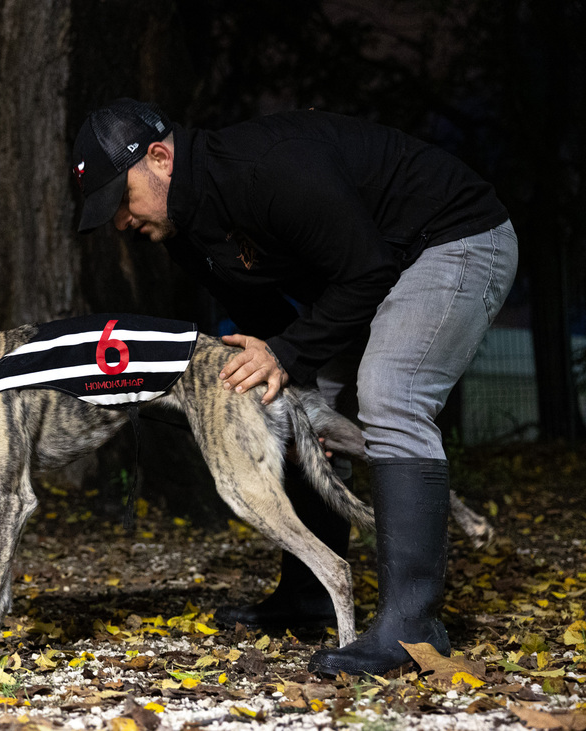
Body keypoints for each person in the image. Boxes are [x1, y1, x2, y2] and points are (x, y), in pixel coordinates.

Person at [70, 98, 517, 676]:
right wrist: (286, 371)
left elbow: (368, 269)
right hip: (367, 271)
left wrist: (287, 352)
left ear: (159, 157)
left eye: (121, 201)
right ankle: (309, 597)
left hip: (452, 239)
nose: (122, 223)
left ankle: (414, 628)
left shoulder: (269, 168)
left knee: (390, 391)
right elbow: (267, 322)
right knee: (285, 397)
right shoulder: (188, 230)